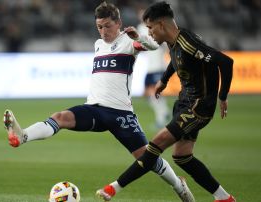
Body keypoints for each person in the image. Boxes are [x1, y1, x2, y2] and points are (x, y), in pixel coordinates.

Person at [3, 2, 194, 202]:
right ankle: (23, 135)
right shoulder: (98, 44)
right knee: (60, 117)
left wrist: (138, 37)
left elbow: (154, 45)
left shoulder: (129, 41)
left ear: (118, 23)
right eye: (99, 27)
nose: (103, 31)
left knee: (146, 158)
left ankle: (178, 185)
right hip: (94, 108)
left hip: (120, 113)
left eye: (107, 26)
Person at [96, 1, 236, 202]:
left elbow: (225, 62)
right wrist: (164, 79)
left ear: (161, 25)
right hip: (184, 102)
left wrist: (222, 96)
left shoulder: (188, 40)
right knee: (181, 156)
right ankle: (224, 198)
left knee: (156, 144)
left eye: (151, 28)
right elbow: (175, 58)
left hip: (199, 107)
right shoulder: (173, 41)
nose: (150, 33)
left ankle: (114, 188)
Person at [136, 7, 171, 129]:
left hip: (158, 66)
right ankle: (164, 112)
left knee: (154, 92)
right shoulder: (142, 28)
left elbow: (166, 44)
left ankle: (161, 117)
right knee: (147, 94)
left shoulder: (154, 28)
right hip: (150, 67)